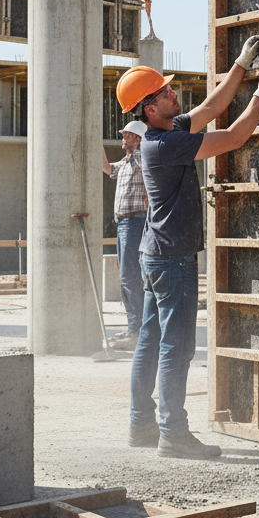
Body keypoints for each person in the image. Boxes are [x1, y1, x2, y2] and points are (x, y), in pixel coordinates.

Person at [116, 35, 259, 460]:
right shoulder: (166, 144)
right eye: (164, 92)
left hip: (155, 254)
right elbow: (232, 137)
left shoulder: (166, 132)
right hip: (173, 260)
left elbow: (210, 108)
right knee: (177, 348)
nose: (173, 92)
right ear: (149, 109)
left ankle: (140, 425)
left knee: (150, 341)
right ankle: (173, 434)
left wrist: (241, 65)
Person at [102, 119, 148, 350]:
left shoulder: (141, 158)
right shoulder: (127, 161)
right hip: (124, 223)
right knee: (126, 277)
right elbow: (107, 169)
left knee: (130, 276)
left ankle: (138, 330)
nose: (123, 138)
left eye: (127, 135)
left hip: (135, 221)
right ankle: (135, 328)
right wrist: (95, 143)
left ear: (138, 139)